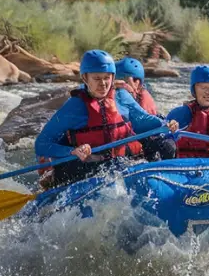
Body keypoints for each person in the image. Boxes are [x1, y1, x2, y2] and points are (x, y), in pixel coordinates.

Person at [34, 50, 179, 187]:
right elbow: (41, 143)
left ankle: (164, 183)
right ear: (85, 78)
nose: (103, 84)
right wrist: (71, 152)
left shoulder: (122, 96)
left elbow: (143, 120)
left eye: (106, 78)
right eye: (96, 78)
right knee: (115, 166)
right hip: (87, 165)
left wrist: (166, 124)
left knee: (166, 145)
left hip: (121, 161)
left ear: (113, 77)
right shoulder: (74, 106)